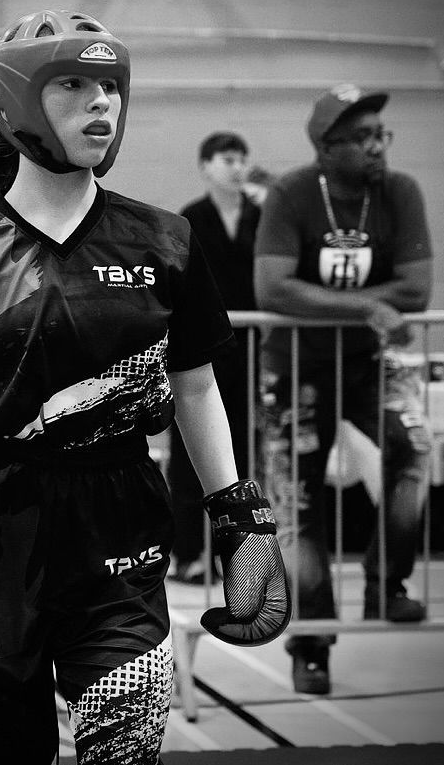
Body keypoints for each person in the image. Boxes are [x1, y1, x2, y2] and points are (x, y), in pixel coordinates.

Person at [0, 9, 290, 765]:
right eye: (73, 84)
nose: (102, 102)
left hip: (121, 536)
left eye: (110, 85)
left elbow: (195, 388)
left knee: (127, 749)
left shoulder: (165, 241)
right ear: (17, 102)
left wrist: (239, 513)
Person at [254, 83, 433, 696]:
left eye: (382, 134)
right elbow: (273, 290)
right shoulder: (292, 194)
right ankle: (311, 643)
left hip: (369, 364)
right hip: (295, 368)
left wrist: (341, 309)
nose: (378, 147)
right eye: (362, 138)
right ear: (327, 148)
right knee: (295, 504)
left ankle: (388, 584)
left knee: (415, 449)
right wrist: (369, 307)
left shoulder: (401, 192)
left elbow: (417, 292)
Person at [168, 132, 262, 584]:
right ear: (206, 166)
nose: (237, 167)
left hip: (252, 353)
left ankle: (238, 559)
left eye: (242, 159)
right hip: (203, 350)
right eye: (228, 159)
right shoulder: (192, 218)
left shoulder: (263, 215)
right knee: (191, 453)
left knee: (242, 450)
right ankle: (190, 553)